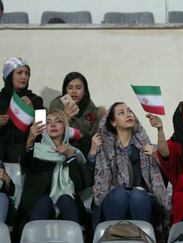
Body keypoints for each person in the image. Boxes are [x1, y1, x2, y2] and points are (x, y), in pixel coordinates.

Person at [13, 109, 88, 242]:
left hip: (67, 206)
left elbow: (81, 184)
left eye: (58, 121)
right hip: (37, 206)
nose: (53, 125)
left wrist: (70, 157)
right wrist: (30, 141)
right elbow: (26, 164)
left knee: (65, 199)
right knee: (45, 200)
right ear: (43, 128)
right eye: (48, 122)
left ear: (65, 127)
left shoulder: (74, 151)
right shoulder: (35, 150)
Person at [92, 102, 170, 225]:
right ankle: (113, 236)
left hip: (143, 198)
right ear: (113, 122)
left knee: (138, 195)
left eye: (129, 111)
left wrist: (156, 155)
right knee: (119, 194)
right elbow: (97, 183)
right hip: (113, 199)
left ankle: (143, 236)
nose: (128, 114)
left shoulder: (145, 145)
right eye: (121, 113)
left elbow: (163, 181)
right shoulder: (105, 149)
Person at [49, 71, 106, 157]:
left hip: (85, 152)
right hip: (59, 150)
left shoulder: (93, 110)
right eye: (70, 88)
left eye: (78, 88)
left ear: (85, 91)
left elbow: (93, 139)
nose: (74, 92)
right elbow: (51, 134)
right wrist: (66, 117)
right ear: (65, 90)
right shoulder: (56, 107)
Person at [0, 57, 44, 164]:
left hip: (25, 147)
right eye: (19, 73)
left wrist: (31, 111)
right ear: (10, 76)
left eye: (27, 73)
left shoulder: (35, 100)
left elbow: (43, 129)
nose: (24, 77)